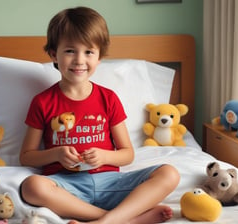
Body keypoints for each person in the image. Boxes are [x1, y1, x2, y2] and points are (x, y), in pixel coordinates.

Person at [19, 6, 180, 224]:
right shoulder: (42, 101)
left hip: (112, 184)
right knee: (31, 187)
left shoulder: (108, 98)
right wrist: (56, 154)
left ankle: (105, 222)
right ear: (53, 54)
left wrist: (104, 157)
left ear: (99, 57)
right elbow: (27, 156)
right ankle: (122, 220)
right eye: (69, 51)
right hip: (67, 188)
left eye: (88, 52)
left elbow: (127, 153)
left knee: (169, 173)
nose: (79, 60)